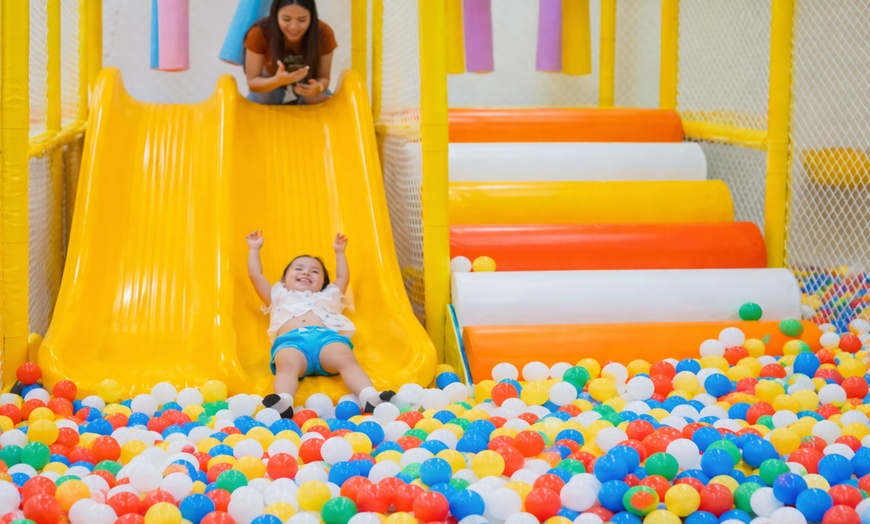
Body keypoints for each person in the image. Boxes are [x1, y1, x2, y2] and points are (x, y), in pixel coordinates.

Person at [246, 230, 394, 418]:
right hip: (291, 341)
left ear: (324, 283)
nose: (306, 272)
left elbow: (342, 278)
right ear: (283, 280)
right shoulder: (278, 294)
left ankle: (370, 397)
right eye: (298, 268)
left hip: (326, 339)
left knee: (345, 357)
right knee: (287, 364)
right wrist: (254, 248)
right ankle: (283, 401)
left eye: (315, 271)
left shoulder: (328, 296)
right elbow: (255, 275)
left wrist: (340, 253)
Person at [243, 0, 336, 105]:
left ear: (312, 16)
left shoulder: (323, 33)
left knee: (316, 99)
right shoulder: (259, 33)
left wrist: (318, 87)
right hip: (271, 77)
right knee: (265, 99)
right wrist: (277, 81)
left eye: (302, 20)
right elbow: (252, 82)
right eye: (286, 19)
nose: (293, 27)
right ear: (275, 14)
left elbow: (324, 78)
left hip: (308, 77)